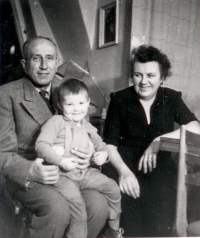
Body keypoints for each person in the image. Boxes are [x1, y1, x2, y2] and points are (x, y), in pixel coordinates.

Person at [0, 36, 110, 238]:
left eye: (49, 58)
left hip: (70, 173)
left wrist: (89, 154)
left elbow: (84, 133)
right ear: (25, 64)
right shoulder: (6, 94)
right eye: (36, 59)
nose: (44, 66)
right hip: (29, 175)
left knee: (99, 205)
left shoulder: (69, 92)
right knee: (57, 209)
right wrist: (31, 171)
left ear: (57, 62)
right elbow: (2, 154)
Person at [103, 45, 200, 236]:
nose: (144, 81)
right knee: (130, 228)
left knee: (160, 226)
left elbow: (195, 127)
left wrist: (159, 140)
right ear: (132, 76)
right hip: (125, 168)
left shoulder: (171, 98)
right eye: (138, 75)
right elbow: (109, 145)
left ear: (162, 77)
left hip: (160, 172)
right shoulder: (119, 100)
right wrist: (124, 173)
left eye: (151, 75)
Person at [35, 78, 123, 238]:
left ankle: (113, 231)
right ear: (61, 105)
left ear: (88, 102)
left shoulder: (86, 125)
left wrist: (103, 154)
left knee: (113, 188)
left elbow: (101, 145)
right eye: (70, 104)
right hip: (62, 175)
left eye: (81, 103)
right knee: (79, 209)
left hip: (84, 173)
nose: (76, 109)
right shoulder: (56, 121)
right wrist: (61, 161)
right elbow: (41, 146)